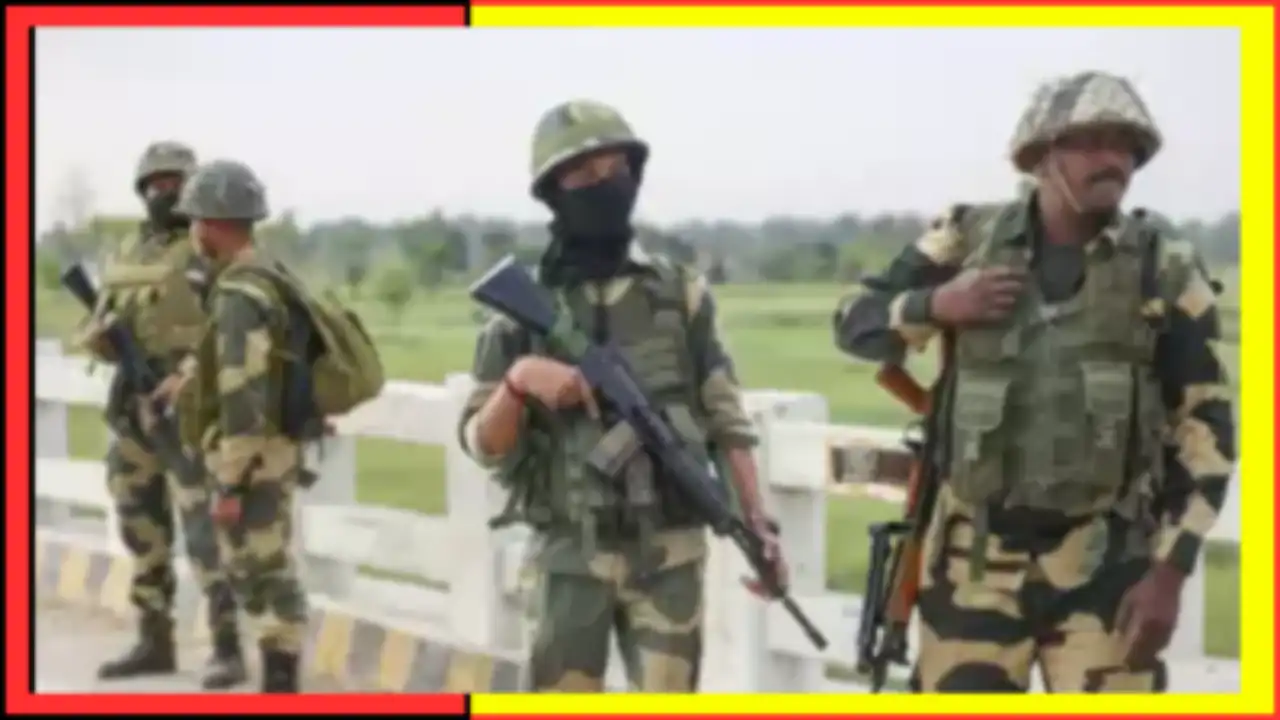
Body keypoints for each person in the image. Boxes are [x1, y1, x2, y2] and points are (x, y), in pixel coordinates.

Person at [834, 71, 1235, 693]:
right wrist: (938, 303)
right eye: (1091, 142)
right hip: (973, 571)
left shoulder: (1162, 265)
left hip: (1107, 571)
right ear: (1042, 156)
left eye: (1126, 146)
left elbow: (1205, 426)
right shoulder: (965, 240)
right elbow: (853, 324)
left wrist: (1170, 573)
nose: (1113, 160)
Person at [458, 99, 789, 692]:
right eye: (584, 175)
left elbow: (726, 421)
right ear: (553, 192)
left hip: (670, 555)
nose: (605, 185)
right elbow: (482, 443)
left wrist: (757, 524)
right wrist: (519, 380)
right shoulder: (518, 313)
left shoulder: (679, 294)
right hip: (567, 555)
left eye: (617, 171)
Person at [75, 142, 246, 690]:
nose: (165, 192)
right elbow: (99, 321)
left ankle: (227, 647)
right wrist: (100, 340)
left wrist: (190, 375)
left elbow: (237, 325)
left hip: (189, 409)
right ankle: (154, 639)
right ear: (141, 190)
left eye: (176, 183)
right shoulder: (127, 251)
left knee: (205, 532)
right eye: (156, 184)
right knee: (140, 525)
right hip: (133, 409)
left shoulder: (211, 248)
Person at [171, 159, 310, 693]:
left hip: (252, 460)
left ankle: (280, 687)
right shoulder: (270, 276)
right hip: (271, 451)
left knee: (263, 575)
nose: (192, 232)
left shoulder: (237, 296)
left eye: (195, 220)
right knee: (266, 569)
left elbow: (242, 393)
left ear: (211, 223)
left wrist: (230, 483)